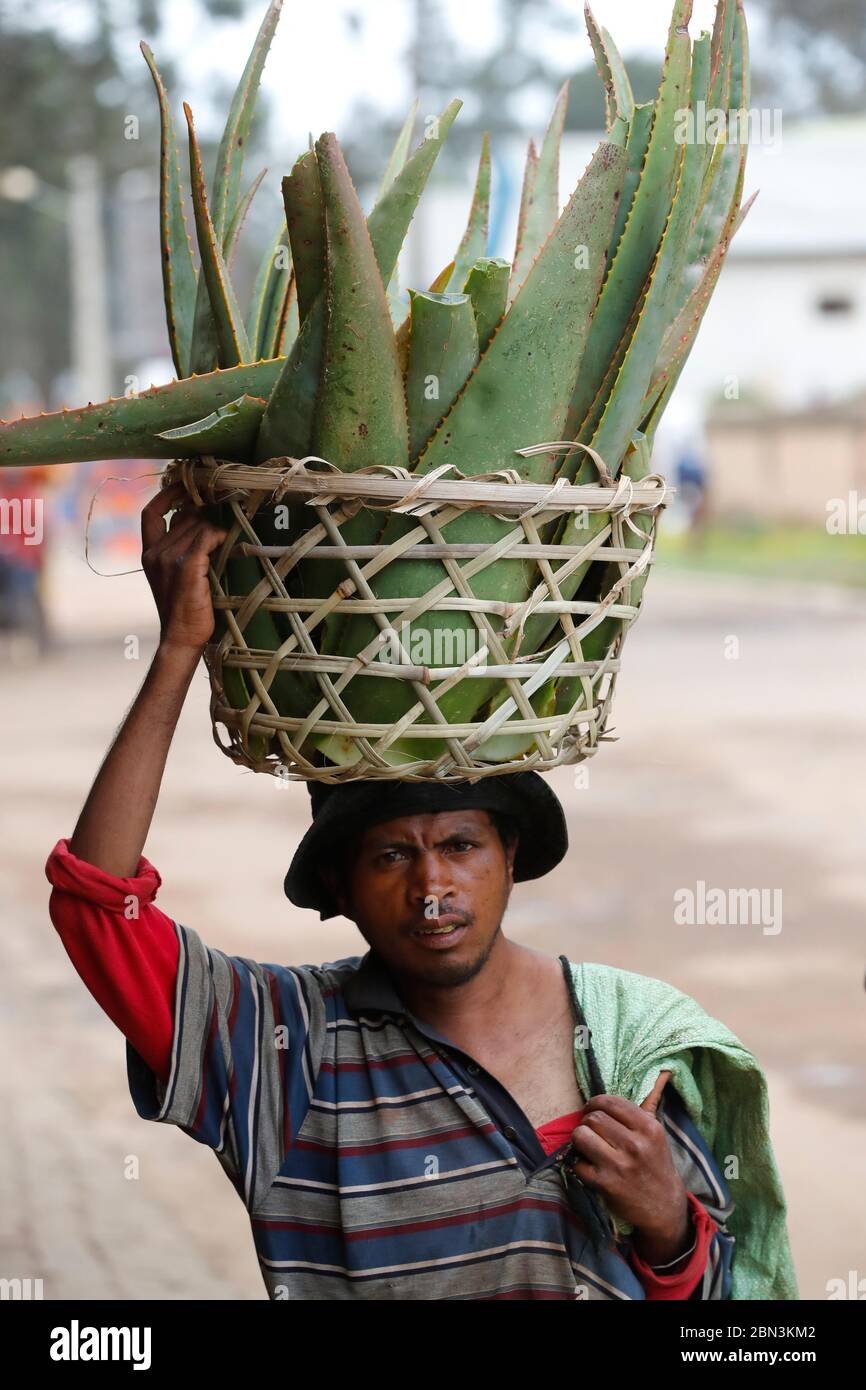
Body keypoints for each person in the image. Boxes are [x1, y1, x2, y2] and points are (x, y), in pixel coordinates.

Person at [45, 482, 798, 1301]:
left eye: (461, 845)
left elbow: (733, 1311)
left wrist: (669, 1225)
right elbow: (99, 909)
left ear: (510, 855)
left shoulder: (633, 1046)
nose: (432, 885)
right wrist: (178, 652)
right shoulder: (284, 1048)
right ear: (339, 885)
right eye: (391, 857)